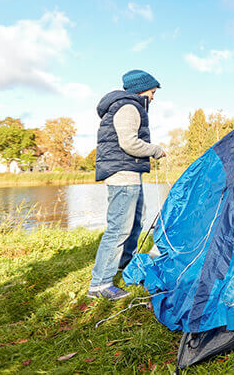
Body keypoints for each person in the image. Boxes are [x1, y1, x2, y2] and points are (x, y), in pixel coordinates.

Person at [88, 69, 166, 301]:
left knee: (134, 222)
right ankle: (99, 285)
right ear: (142, 89)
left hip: (130, 174)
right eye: (152, 92)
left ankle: (125, 264)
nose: (153, 97)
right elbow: (129, 143)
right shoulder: (129, 107)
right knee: (118, 229)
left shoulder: (131, 106)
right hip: (122, 176)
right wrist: (156, 150)